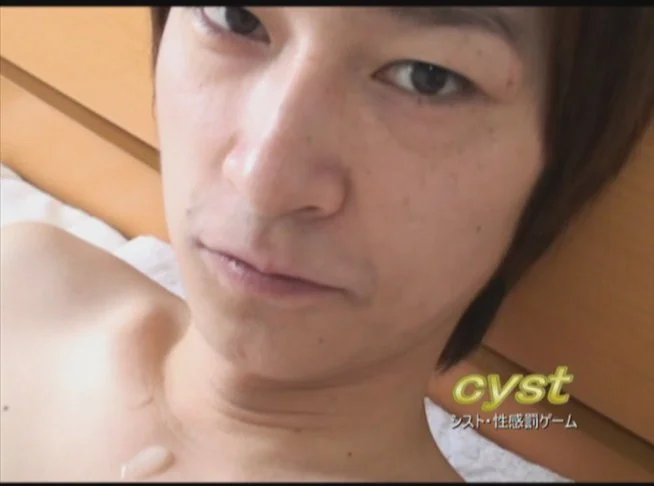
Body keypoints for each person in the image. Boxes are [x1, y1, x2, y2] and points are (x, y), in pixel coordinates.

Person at [1, 7, 653, 482]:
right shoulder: (25, 277)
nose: (264, 180)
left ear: (559, 168)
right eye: (236, 17)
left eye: (428, 77)